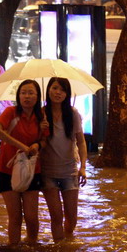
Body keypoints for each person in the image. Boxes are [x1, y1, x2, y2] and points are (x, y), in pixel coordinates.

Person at [0, 79, 46, 245]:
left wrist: (37, 144)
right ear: (18, 95)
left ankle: (32, 247)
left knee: (31, 216)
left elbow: (44, 140)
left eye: (30, 93)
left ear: (37, 96)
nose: (26, 96)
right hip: (8, 170)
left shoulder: (41, 117)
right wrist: (22, 146)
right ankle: (13, 251)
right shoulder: (11, 112)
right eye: (23, 93)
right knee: (15, 217)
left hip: (32, 169)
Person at [40, 77, 87, 241]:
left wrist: (83, 167)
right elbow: (37, 143)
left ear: (67, 94)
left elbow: (81, 142)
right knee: (56, 216)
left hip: (69, 171)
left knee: (72, 217)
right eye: (54, 88)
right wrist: (41, 130)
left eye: (62, 90)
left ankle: (68, 241)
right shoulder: (42, 113)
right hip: (48, 172)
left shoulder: (73, 114)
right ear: (48, 90)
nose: (58, 92)